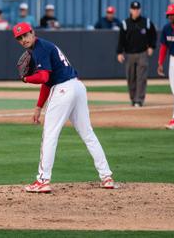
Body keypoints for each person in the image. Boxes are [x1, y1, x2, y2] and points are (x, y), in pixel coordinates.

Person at [12, 22, 115, 193]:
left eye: (25, 35)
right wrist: (39, 106)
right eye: (19, 38)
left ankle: (43, 180)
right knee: (88, 133)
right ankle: (107, 177)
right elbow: (47, 82)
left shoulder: (39, 48)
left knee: (50, 136)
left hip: (62, 90)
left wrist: (26, 79)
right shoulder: (44, 46)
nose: (23, 39)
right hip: (78, 87)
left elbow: (44, 77)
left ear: (32, 32)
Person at [116, 1, 157, 107]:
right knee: (131, 77)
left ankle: (139, 99)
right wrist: (119, 52)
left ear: (140, 10)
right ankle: (133, 98)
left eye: (137, 9)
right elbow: (121, 39)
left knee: (141, 77)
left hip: (142, 53)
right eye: (134, 9)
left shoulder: (146, 22)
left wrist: (152, 46)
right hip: (129, 54)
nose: (136, 11)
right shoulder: (125, 23)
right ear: (130, 10)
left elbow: (153, 35)